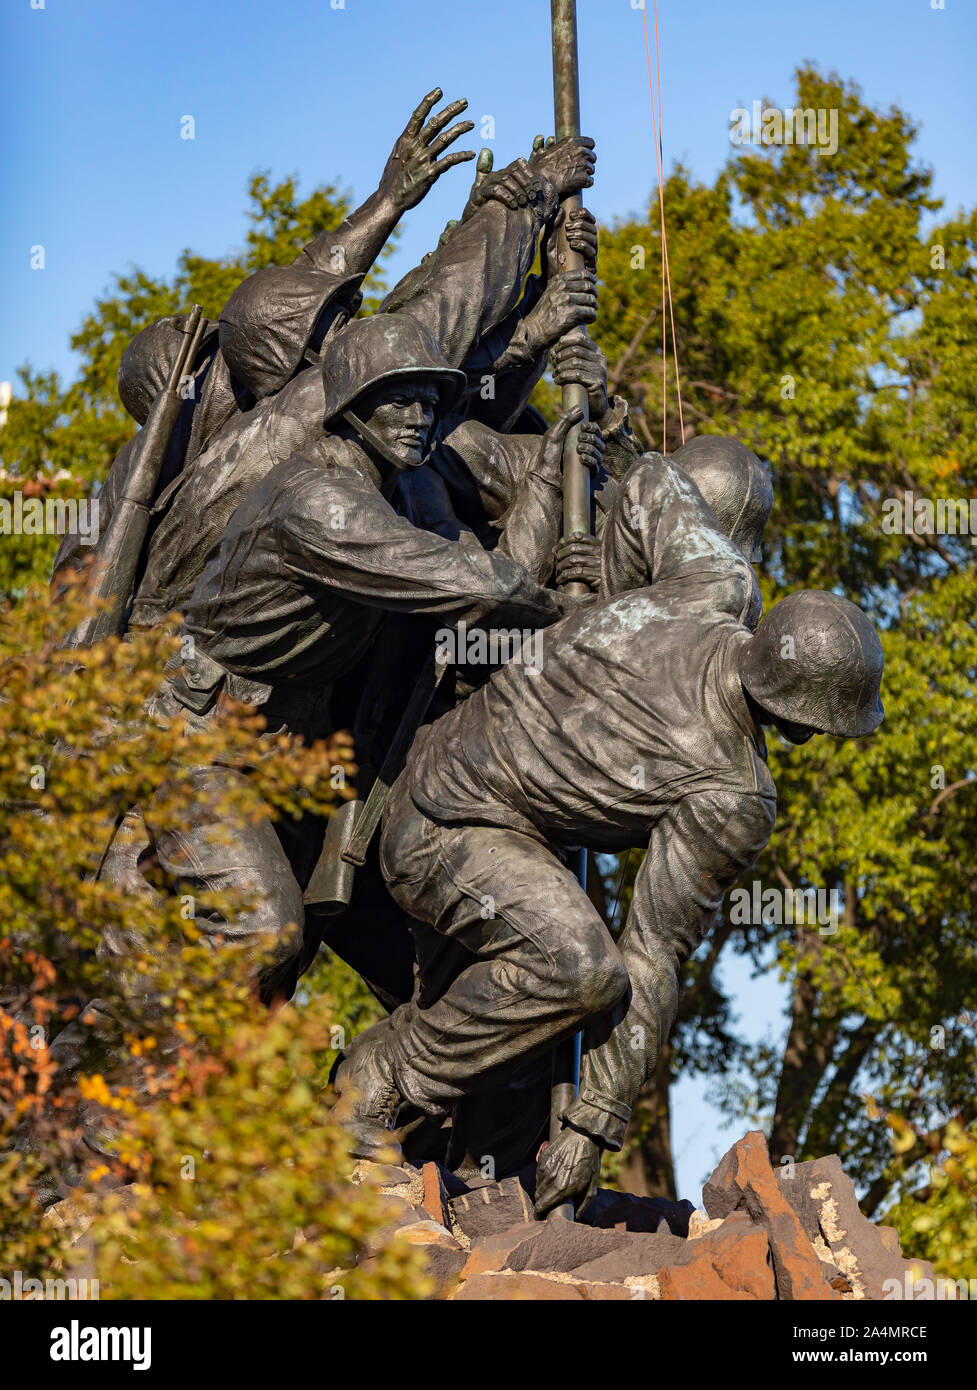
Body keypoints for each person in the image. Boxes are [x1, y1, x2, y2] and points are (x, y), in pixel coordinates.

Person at [332, 505, 883, 1214]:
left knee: (514, 1059)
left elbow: (652, 483)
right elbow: (650, 954)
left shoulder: (715, 580)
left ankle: (427, 1167)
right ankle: (378, 1079)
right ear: (810, 725)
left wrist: (610, 592)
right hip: (446, 828)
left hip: (454, 798)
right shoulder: (732, 796)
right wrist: (595, 1125)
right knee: (580, 971)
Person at [133, 315, 602, 1006]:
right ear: (351, 407)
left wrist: (549, 480)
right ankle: (152, 1091)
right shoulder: (318, 501)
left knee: (399, 968)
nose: (418, 417)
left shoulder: (402, 489)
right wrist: (573, 618)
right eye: (398, 400)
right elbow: (468, 582)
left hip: (298, 754)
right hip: (195, 742)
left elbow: (479, 579)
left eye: (428, 402)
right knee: (264, 934)